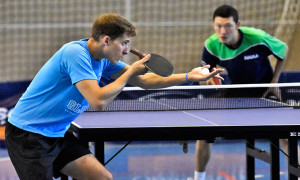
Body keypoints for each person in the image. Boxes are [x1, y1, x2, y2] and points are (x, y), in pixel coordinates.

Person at [5, 13, 223, 180]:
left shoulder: (103, 60)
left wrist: (189, 76)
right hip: (29, 135)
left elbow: (145, 81)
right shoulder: (75, 54)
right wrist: (129, 72)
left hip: (57, 133)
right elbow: (98, 100)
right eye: (124, 43)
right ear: (107, 40)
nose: (127, 50)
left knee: (102, 177)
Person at [193, 5, 288, 180]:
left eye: (228, 26)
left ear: (237, 24)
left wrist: (274, 82)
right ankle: (199, 177)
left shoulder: (257, 38)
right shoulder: (212, 44)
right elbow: (205, 71)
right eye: (218, 26)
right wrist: (208, 79)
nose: (223, 31)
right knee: (204, 133)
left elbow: (283, 50)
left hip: (265, 90)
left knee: (286, 134)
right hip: (237, 91)